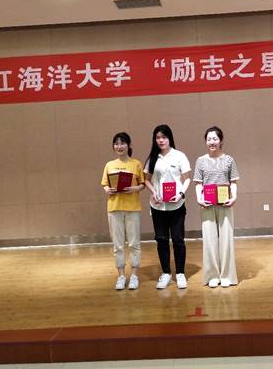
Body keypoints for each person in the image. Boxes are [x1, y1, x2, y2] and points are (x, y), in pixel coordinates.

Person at [144, 124, 191, 289]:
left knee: (178, 239)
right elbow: (146, 180)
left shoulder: (179, 156)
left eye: (164, 137)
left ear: (169, 138)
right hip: (158, 206)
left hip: (177, 205)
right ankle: (165, 273)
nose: (161, 140)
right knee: (161, 240)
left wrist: (181, 194)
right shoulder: (152, 158)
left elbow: (187, 178)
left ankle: (180, 273)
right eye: (158, 137)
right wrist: (153, 192)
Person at [193, 126, 239, 288]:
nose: (212, 142)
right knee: (209, 240)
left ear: (221, 141)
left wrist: (234, 197)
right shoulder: (200, 161)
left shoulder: (229, 160)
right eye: (209, 139)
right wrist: (199, 198)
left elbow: (233, 182)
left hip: (225, 203)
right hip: (207, 204)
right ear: (205, 142)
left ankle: (227, 275)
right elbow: (198, 184)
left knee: (226, 239)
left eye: (215, 139)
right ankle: (212, 275)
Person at [101, 132, 145, 290]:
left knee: (134, 243)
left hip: (132, 208)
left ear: (129, 145)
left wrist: (135, 188)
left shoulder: (136, 164)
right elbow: (105, 184)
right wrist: (107, 190)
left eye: (122, 143)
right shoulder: (109, 165)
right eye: (116, 143)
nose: (119, 146)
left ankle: (134, 275)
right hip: (114, 208)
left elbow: (142, 184)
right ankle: (121, 276)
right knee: (118, 245)